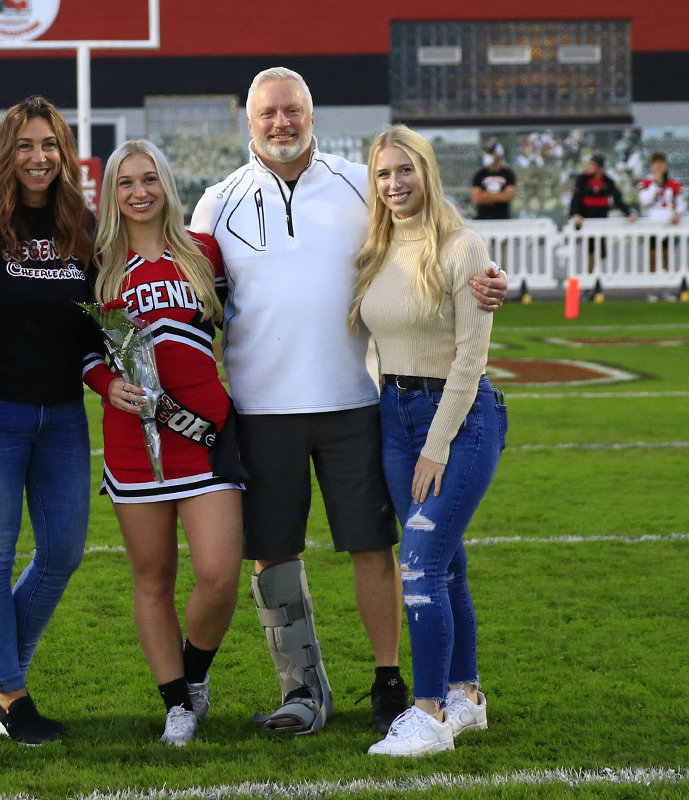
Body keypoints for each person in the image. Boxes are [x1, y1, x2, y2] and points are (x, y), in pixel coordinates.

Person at [189, 67, 507, 736]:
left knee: (372, 544)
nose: (281, 123)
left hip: (357, 403)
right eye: (268, 113)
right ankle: (301, 688)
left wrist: (490, 278)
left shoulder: (358, 184)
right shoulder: (216, 203)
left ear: (312, 116)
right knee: (272, 552)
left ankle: (389, 681)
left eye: (292, 111)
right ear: (248, 122)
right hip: (260, 408)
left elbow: (434, 236)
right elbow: (199, 308)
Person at [351, 125, 504, 757]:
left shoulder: (464, 247)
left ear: (427, 171)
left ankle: (429, 710)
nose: (394, 185)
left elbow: (472, 356)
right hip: (394, 415)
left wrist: (437, 444)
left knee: (418, 565)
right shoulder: (376, 246)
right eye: (383, 174)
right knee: (447, 563)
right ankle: (466, 694)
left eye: (404, 171)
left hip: (457, 418)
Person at [0, 96, 102, 746]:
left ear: (64, 154)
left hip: (64, 414)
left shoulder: (83, 227)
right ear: (4, 153)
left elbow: (103, 321)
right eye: (25, 146)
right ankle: (12, 699)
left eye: (49, 145)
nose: (38, 157)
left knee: (64, 552)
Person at [87, 140, 244, 746]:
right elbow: (77, 351)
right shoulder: (99, 262)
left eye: (149, 179)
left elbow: (254, 316)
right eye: (125, 183)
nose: (139, 192)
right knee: (152, 579)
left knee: (219, 572)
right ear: (112, 193)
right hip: (133, 441)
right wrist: (105, 382)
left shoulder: (205, 254)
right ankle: (176, 704)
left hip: (204, 436)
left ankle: (195, 673)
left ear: (166, 185)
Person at [569, 154, 636, 277]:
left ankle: (599, 276)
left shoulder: (608, 182)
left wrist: (629, 213)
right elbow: (576, 199)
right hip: (587, 221)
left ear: (600, 168)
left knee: (600, 250)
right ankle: (590, 276)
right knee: (590, 250)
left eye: (592, 165)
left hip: (601, 220)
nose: (588, 168)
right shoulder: (582, 180)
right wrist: (576, 214)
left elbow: (618, 200)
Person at [637, 153, 686, 284]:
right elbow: (645, 200)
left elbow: (680, 202)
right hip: (653, 223)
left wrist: (678, 213)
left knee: (667, 256)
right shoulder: (646, 182)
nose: (659, 166)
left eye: (661, 163)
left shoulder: (673, 183)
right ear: (651, 165)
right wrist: (655, 184)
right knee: (653, 256)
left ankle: (667, 285)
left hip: (668, 223)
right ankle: (653, 285)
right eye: (656, 163)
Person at [471, 141, 516, 220]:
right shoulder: (479, 174)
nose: (488, 155)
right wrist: (500, 195)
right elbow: (476, 198)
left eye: (491, 152)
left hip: (502, 219)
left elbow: (509, 196)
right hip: (482, 219)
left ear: (499, 155)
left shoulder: (508, 173)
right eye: (486, 153)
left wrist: (485, 195)